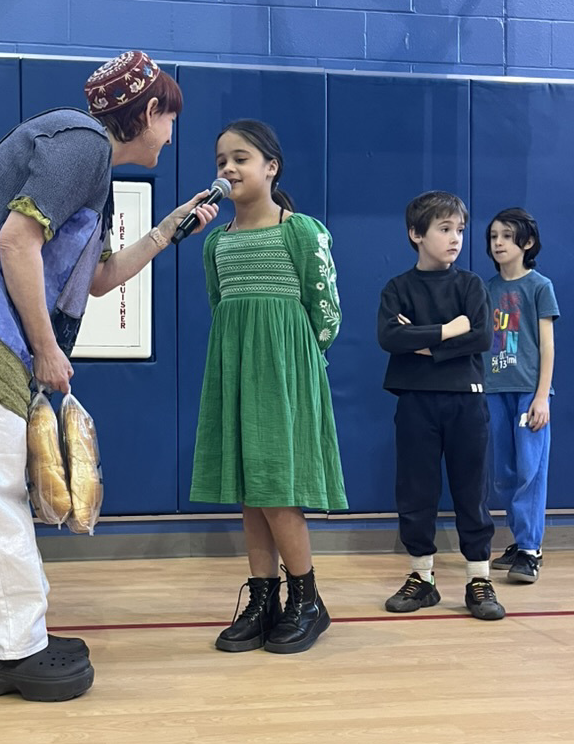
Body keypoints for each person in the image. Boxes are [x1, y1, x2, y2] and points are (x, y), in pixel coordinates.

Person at [0, 50, 218, 702]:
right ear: (150, 110)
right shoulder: (83, 144)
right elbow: (17, 242)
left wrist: (165, 230)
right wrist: (46, 349)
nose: (171, 135)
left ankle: (9, 634)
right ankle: (12, 649)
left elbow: (96, 279)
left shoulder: (91, 167)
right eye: (170, 120)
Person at [190, 119, 347, 655]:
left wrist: (298, 367)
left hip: (286, 375)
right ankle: (264, 601)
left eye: (241, 158)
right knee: (251, 492)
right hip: (236, 372)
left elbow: (327, 312)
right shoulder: (217, 242)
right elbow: (220, 308)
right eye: (221, 161)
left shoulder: (301, 232)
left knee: (278, 489)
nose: (229, 169)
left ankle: (308, 600)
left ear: (271, 167)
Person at [378, 191, 505, 621]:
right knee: (416, 490)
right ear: (416, 234)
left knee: (472, 491)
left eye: (460, 230)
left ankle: (478, 579)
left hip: (466, 401)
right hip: (415, 400)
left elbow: (481, 336)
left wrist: (425, 344)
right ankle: (422, 577)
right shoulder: (398, 288)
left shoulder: (470, 285)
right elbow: (390, 337)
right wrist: (449, 330)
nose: (455, 239)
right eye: (444, 229)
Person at [484, 208, 559, 584]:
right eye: (494, 236)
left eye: (507, 236)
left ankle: (531, 550)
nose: (498, 243)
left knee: (530, 471)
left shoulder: (539, 286)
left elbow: (547, 346)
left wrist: (541, 396)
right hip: (494, 391)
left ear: (527, 242)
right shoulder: (487, 289)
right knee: (504, 474)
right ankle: (519, 541)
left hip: (528, 393)